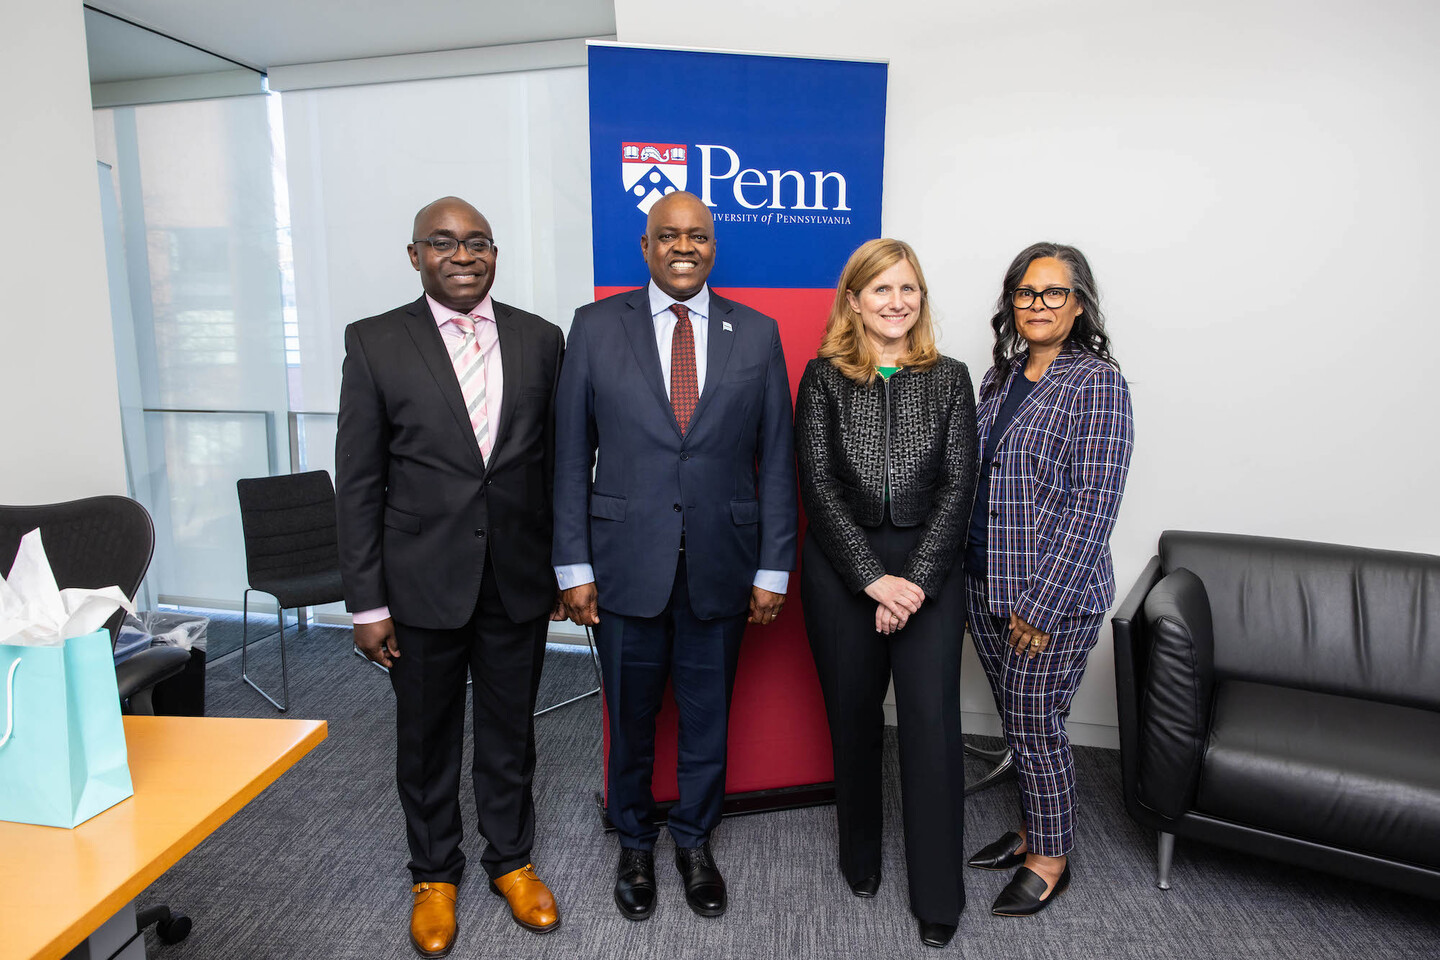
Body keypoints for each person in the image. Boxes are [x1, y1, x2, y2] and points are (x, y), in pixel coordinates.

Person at [552, 190, 798, 921]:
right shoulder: (595, 328)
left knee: (706, 718)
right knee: (628, 719)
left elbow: (776, 460)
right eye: (669, 236)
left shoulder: (756, 332)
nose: (683, 247)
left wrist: (773, 567)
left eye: (697, 236)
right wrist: (574, 568)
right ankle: (634, 841)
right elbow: (569, 458)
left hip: (722, 565)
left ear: (713, 246)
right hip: (623, 566)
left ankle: (693, 840)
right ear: (646, 246)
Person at [335, 197, 566, 956]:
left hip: (516, 579)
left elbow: (557, 466)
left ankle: (512, 860)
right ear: (415, 256)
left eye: (478, 243)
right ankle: (434, 873)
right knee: (427, 737)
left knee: (510, 733)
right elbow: (360, 482)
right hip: (419, 582)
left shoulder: (540, 339)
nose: (462, 255)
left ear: (495, 253)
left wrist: (568, 568)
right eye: (443, 242)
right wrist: (367, 602)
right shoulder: (374, 343)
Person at [794, 238, 977, 949]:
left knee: (931, 730)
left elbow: (960, 486)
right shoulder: (823, 378)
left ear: (921, 299)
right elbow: (818, 485)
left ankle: (939, 893)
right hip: (845, 571)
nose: (896, 302)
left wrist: (914, 583)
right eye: (881, 290)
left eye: (908, 289)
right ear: (854, 301)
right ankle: (859, 855)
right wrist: (871, 578)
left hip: (930, 572)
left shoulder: (952, 378)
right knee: (854, 719)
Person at [962, 242, 1134, 917]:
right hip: (983, 583)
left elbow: (1095, 504)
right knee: (1019, 719)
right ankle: (1036, 827)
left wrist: (1042, 604)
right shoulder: (998, 378)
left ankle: (1050, 857)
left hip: (1049, 597)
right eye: (1026, 293)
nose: (1038, 305)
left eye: (1053, 293)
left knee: (1037, 726)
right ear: (1011, 303)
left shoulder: (1097, 383)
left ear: (1079, 304)